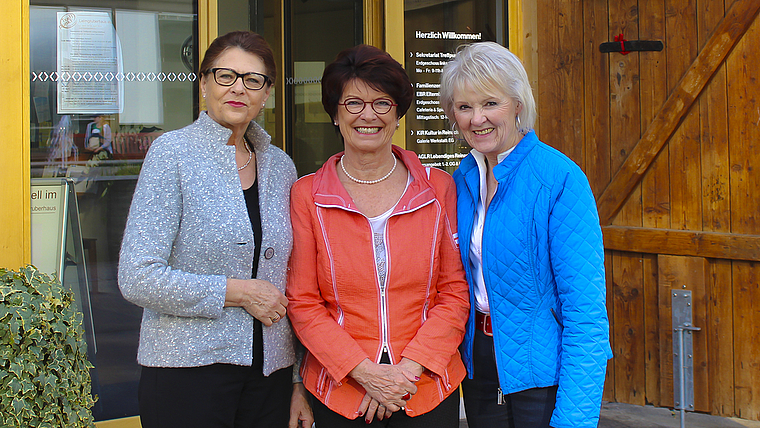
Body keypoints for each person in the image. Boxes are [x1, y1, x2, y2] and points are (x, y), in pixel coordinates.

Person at [118, 31, 312, 428]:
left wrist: (297, 382)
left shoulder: (281, 166)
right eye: (225, 75)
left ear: (267, 92)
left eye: (253, 80)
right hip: (186, 372)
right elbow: (136, 277)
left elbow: (291, 280)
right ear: (204, 82)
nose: (238, 88)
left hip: (268, 377)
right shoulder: (171, 154)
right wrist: (236, 292)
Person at [286, 44, 470, 428]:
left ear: (398, 114)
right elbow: (303, 301)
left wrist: (406, 373)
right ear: (335, 114)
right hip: (341, 388)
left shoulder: (438, 188)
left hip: (425, 385)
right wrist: (365, 373)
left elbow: (454, 292)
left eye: (382, 103)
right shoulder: (308, 195)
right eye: (353, 103)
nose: (367, 115)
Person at [439, 41, 613, 428]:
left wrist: (575, 418)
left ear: (517, 104)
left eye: (490, 103)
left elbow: (585, 314)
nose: (477, 118)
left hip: (543, 374)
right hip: (479, 366)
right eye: (464, 107)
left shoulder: (558, 178)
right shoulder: (461, 180)